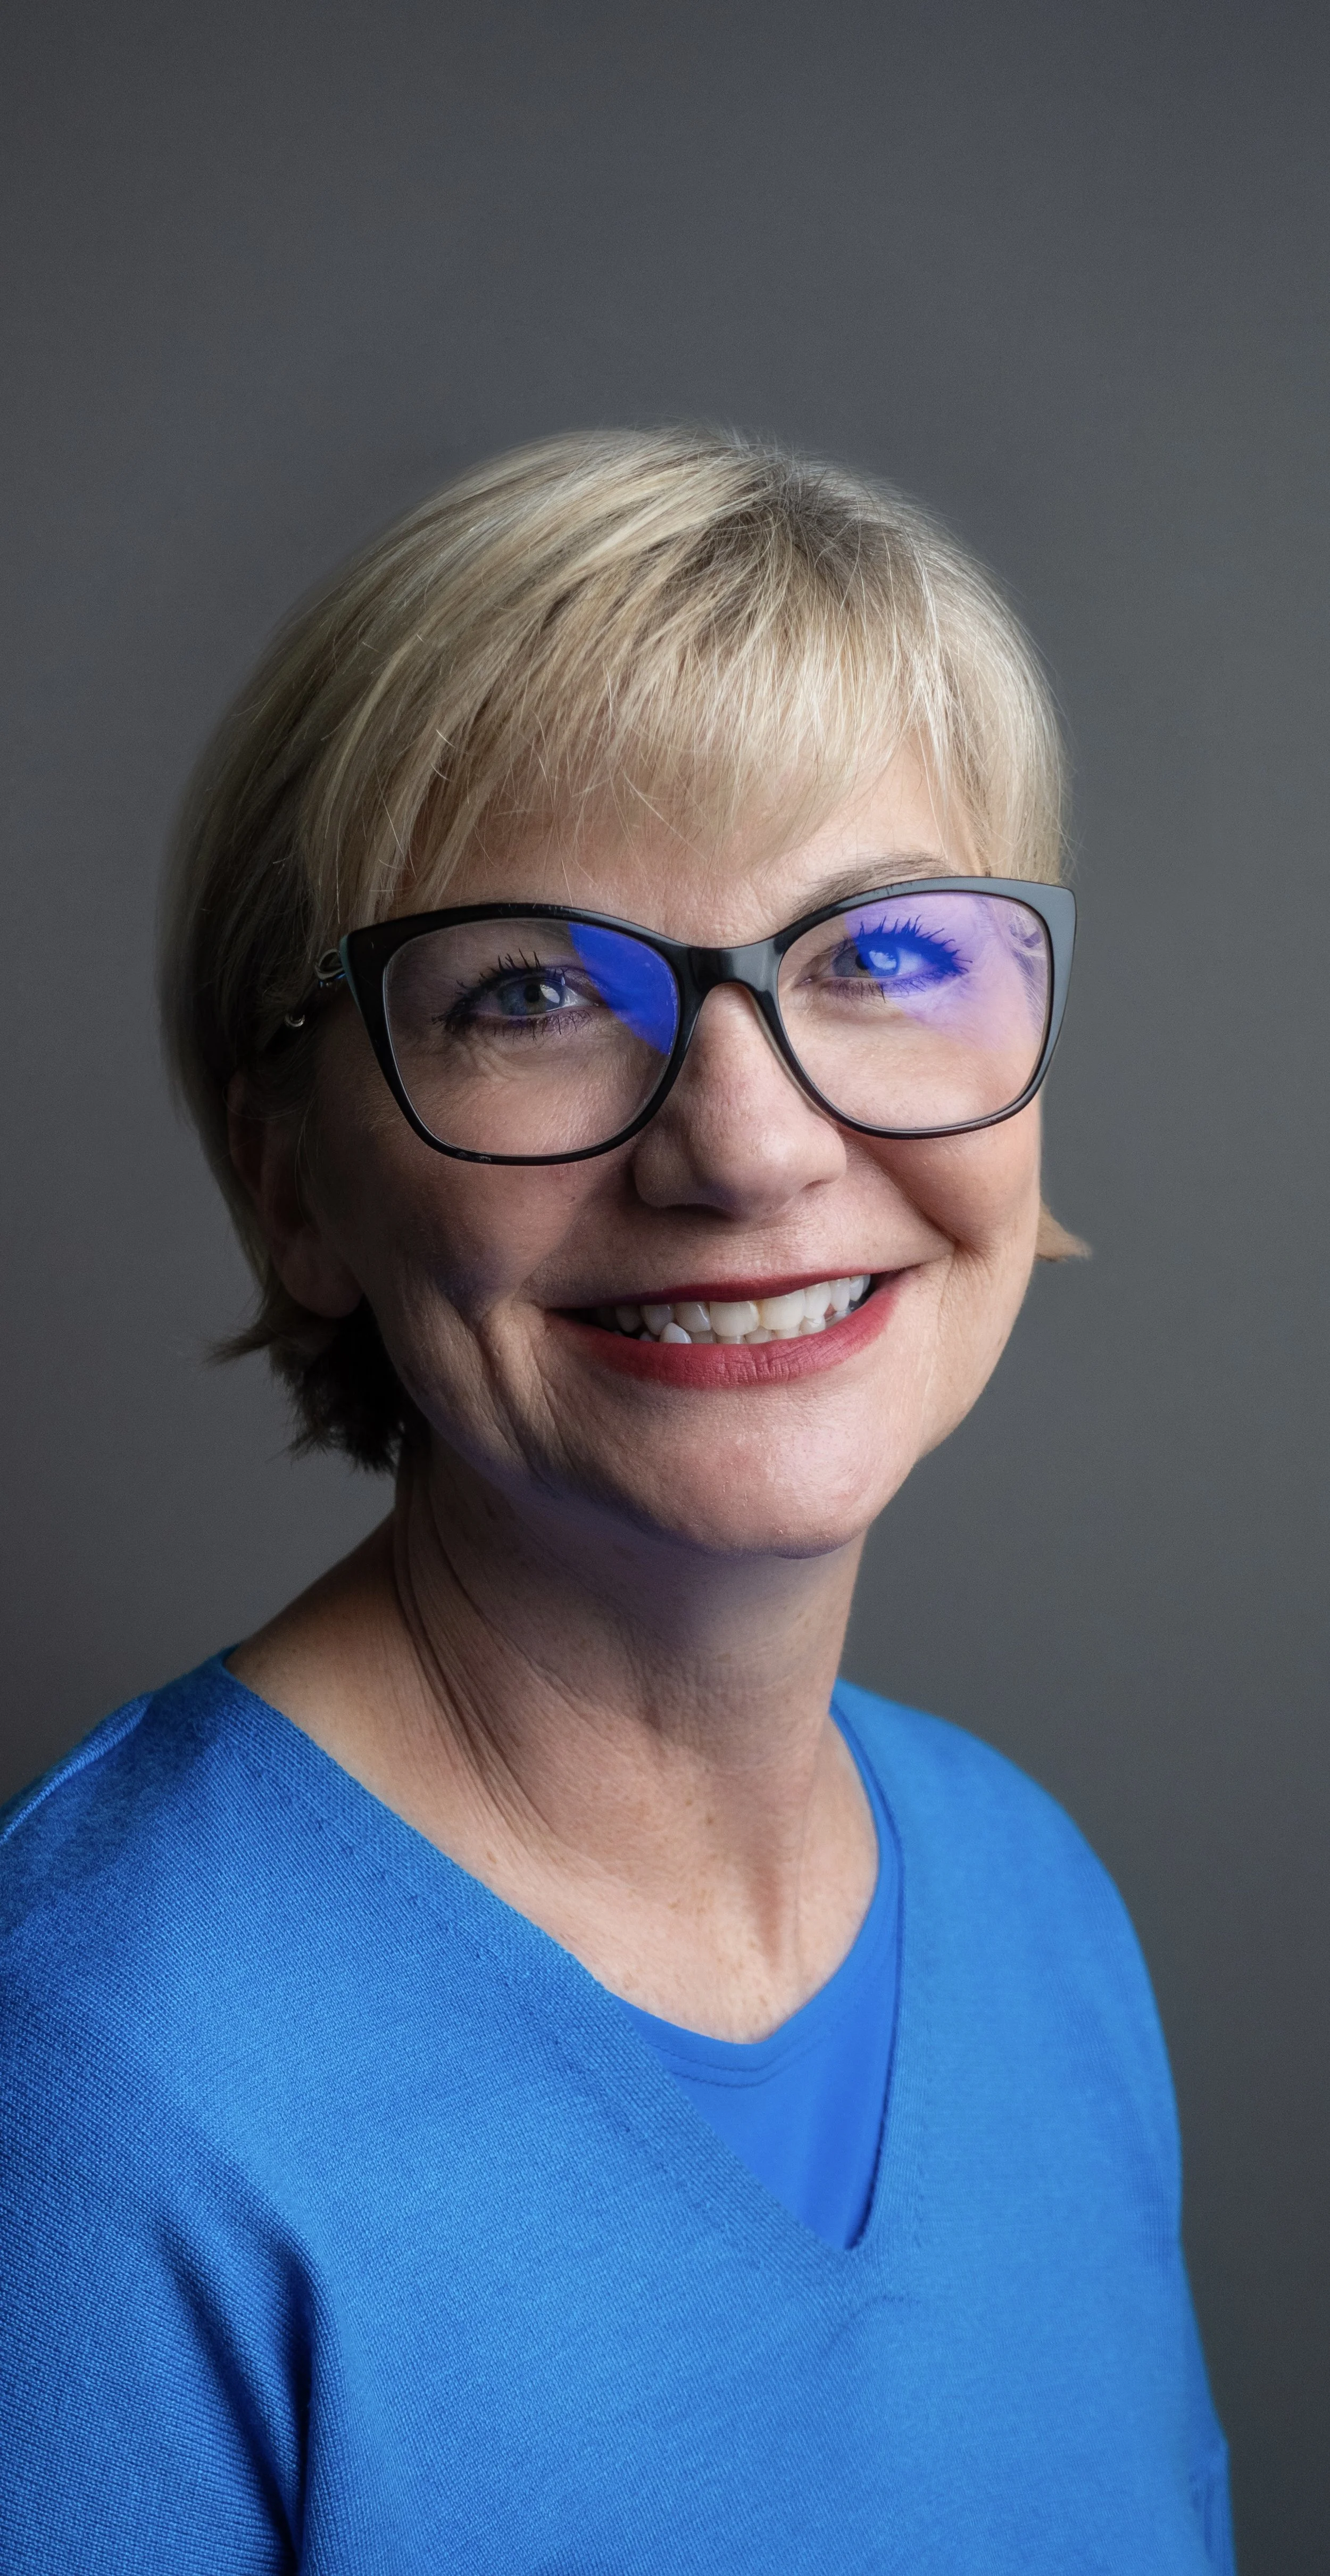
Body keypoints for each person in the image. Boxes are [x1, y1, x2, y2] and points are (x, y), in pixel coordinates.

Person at [0, 430, 1234, 2572]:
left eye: (881, 957)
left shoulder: (1035, 1906)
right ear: (294, 1186)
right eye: (534, 992)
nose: (745, 1148)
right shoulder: (96, 2078)